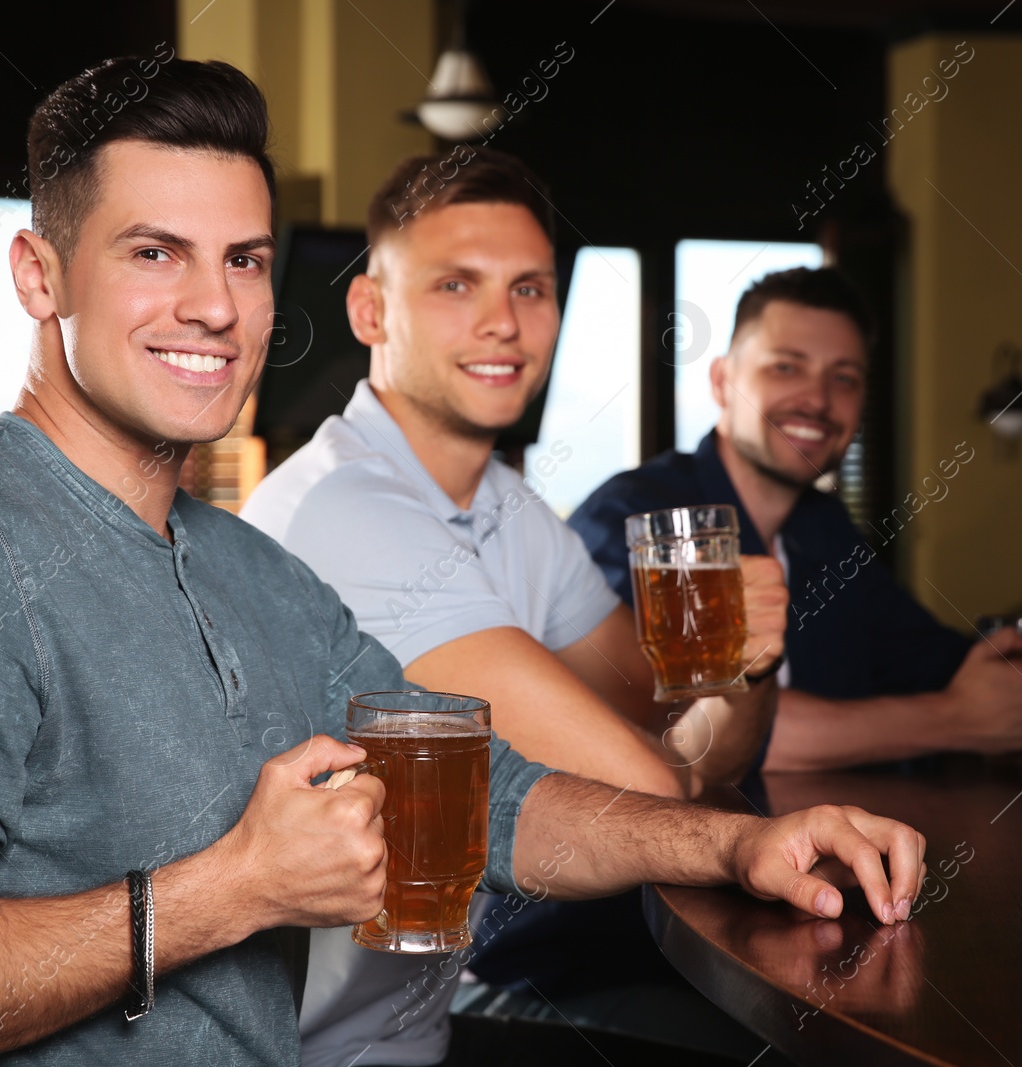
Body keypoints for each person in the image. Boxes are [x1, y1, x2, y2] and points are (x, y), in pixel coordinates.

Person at [0, 60, 926, 1067]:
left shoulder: (249, 568)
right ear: (39, 273)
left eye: (247, 260)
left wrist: (737, 842)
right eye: (155, 253)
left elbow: (493, 793)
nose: (214, 306)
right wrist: (235, 888)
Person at [241, 149, 789, 1066]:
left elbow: (688, 741)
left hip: (423, 1034)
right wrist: (689, 764)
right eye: (457, 284)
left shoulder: (512, 508)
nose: (504, 323)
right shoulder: (347, 507)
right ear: (370, 310)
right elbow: (654, 787)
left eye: (531, 289)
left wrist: (744, 668)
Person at [570, 267, 1022, 772]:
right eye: (786, 366)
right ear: (721, 381)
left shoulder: (824, 527)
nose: (818, 400)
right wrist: (956, 720)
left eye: (844, 378)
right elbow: (677, 727)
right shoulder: (640, 519)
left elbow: (927, 660)